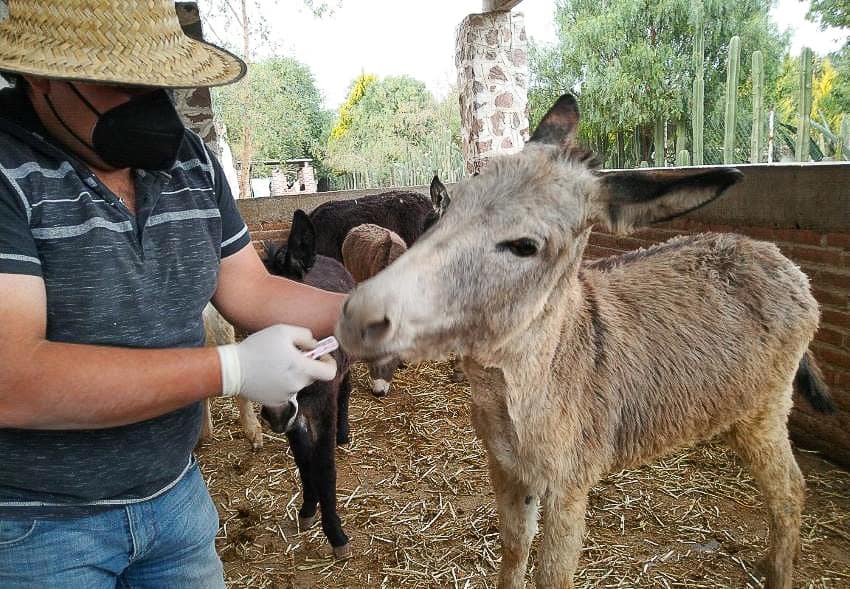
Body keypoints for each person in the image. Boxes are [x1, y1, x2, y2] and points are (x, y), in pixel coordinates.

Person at [0, 1, 346, 587]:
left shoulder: (189, 161)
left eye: (156, 78)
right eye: (120, 80)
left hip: (175, 500)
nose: (150, 104)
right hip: (38, 528)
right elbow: (14, 378)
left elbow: (250, 290)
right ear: (41, 75)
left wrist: (373, 310)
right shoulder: (10, 172)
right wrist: (230, 370)